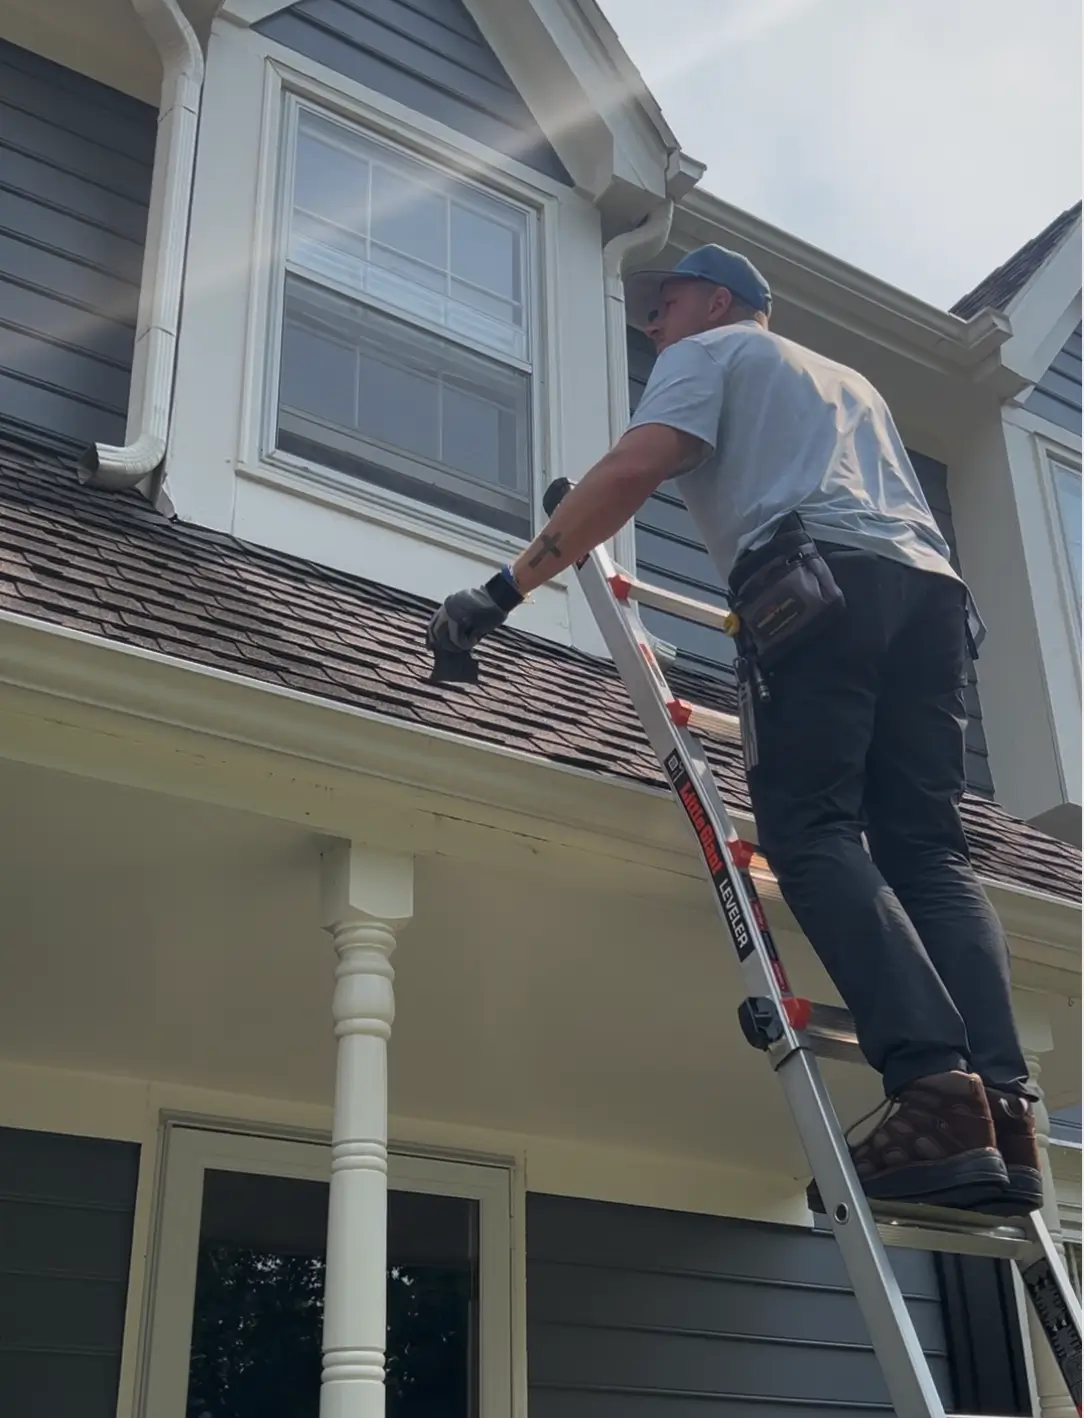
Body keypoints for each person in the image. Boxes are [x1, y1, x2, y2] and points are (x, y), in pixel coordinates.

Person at [426, 243, 1041, 1214]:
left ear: (717, 301)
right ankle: (1004, 1110)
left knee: (811, 833)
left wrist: (500, 591)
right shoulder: (848, 383)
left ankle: (933, 1089)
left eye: (661, 305)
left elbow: (638, 464)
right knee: (928, 849)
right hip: (928, 603)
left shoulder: (714, 353)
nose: (650, 324)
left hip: (814, 582)